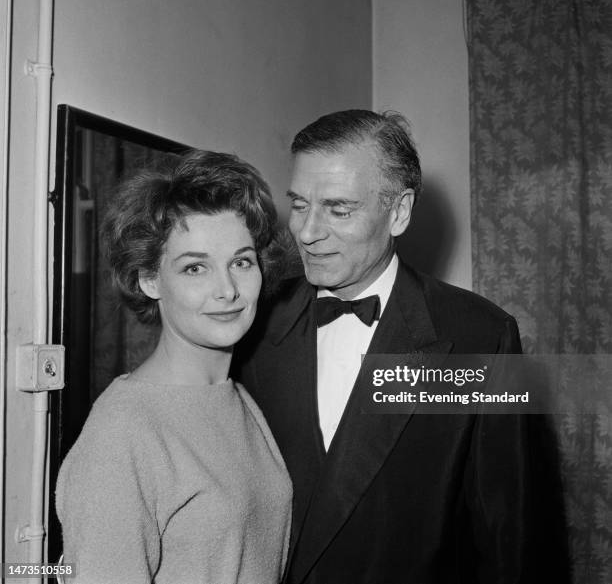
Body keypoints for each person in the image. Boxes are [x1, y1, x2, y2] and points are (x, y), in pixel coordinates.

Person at [234, 109, 567, 583]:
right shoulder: (255, 321)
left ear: (399, 212)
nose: (305, 232)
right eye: (300, 204)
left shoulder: (481, 337)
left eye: (338, 208)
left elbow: (511, 535)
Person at [55, 150, 292, 584]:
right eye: (195, 267)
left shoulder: (238, 400)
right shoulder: (123, 431)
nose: (228, 290)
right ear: (149, 278)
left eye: (241, 261)